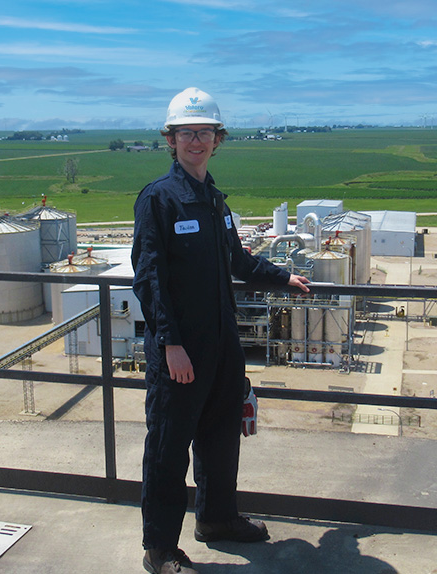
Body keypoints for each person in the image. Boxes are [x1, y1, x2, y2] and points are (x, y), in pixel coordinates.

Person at [132, 87, 310, 574]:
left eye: (204, 132)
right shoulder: (159, 200)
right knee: (169, 448)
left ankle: (216, 519)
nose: (196, 140)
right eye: (186, 132)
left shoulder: (214, 201)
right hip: (180, 350)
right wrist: (170, 344)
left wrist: (283, 276)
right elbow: (149, 279)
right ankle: (160, 549)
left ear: (217, 138)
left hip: (222, 345)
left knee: (220, 437)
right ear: (171, 139)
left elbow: (237, 259)